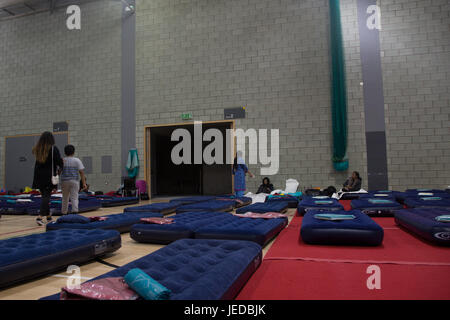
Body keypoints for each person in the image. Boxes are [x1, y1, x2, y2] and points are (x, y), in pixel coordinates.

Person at [32, 132, 63, 226]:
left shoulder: (38, 149)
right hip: (49, 176)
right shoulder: (53, 148)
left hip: (38, 175)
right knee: (46, 196)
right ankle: (40, 217)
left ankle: (49, 216)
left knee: (44, 195)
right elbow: (59, 162)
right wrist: (61, 167)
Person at [61, 145, 87, 215]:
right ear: (73, 152)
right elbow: (81, 172)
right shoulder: (77, 160)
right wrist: (84, 183)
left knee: (65, 197)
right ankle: (75, 211)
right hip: (74, 181)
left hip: (64, 181)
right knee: (74, 197)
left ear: (65, 152)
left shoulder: (62, 160)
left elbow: (59, 171)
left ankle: (64, 212)